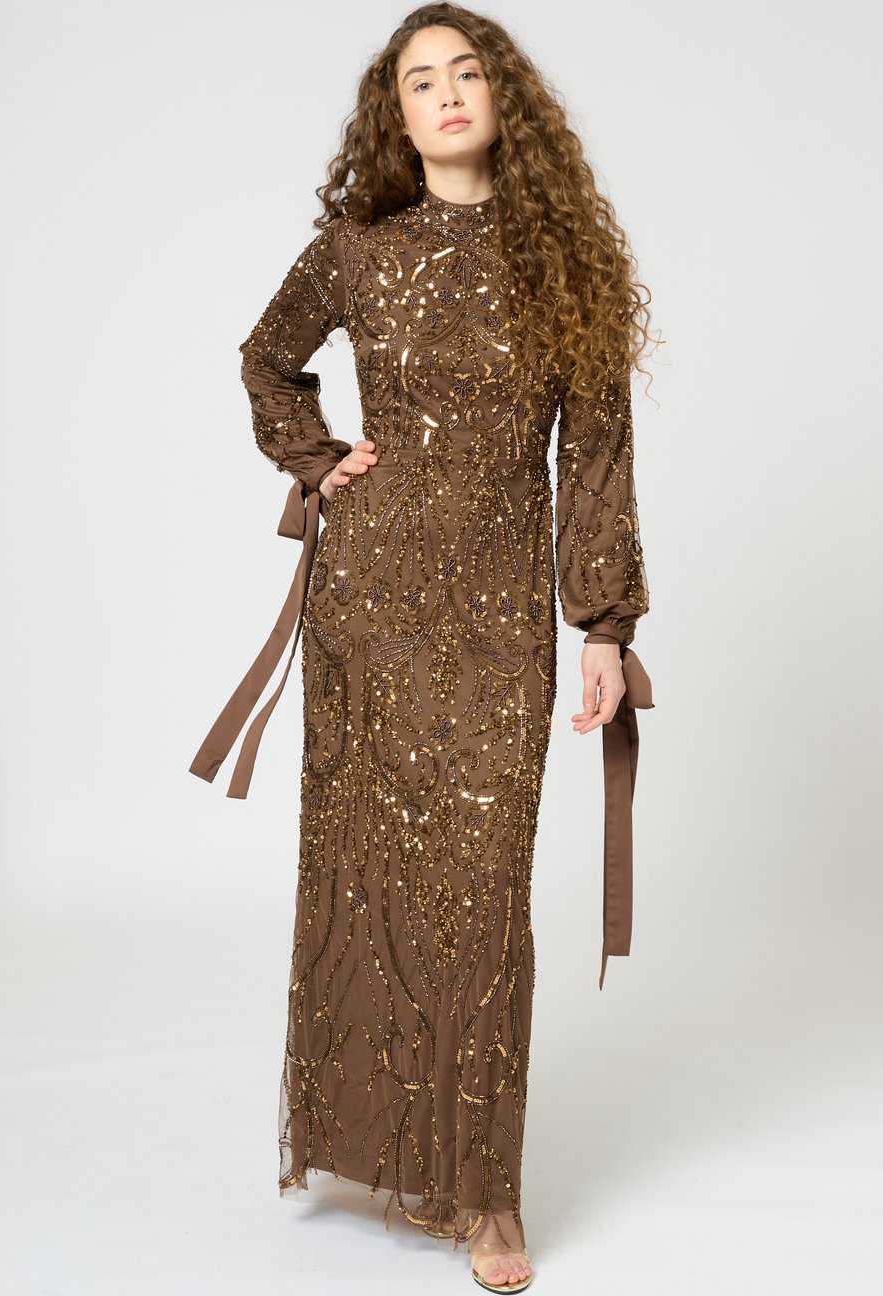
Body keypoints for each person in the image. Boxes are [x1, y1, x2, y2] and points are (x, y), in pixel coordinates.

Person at [190, 3, 656, 1290]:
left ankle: (487, 1191)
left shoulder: (568, 262)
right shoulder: (358, 249)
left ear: (505, 98)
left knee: (484, 891)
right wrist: (318, 458)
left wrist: (602, 626)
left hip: (498, 614)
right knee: (373, 880)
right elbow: (266, 360)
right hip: (371, 606)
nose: (446, 94)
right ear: (393, 117)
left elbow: (597, 455)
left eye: (466, 73)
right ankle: (394, 1150)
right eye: (419, 82)